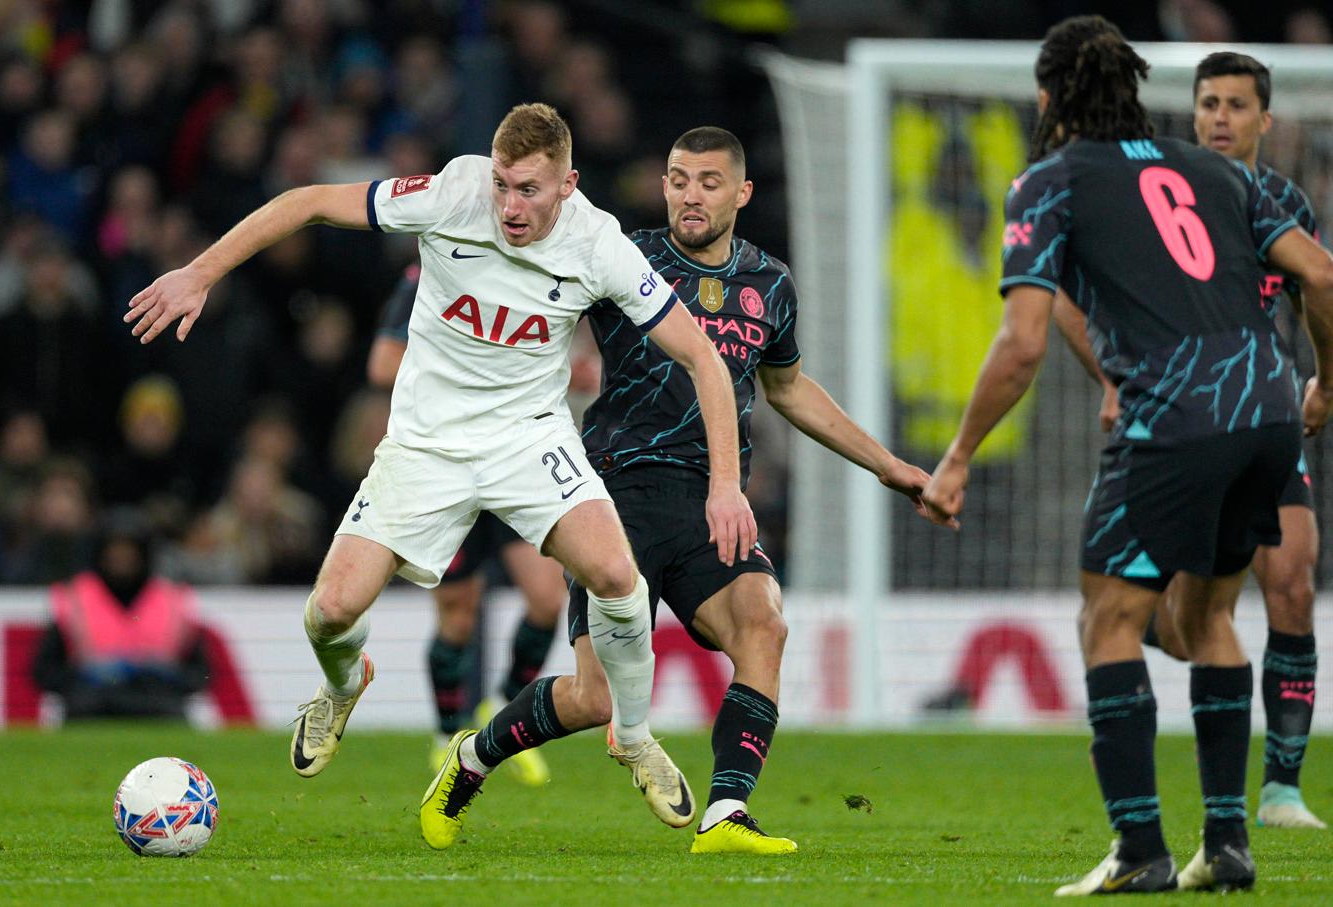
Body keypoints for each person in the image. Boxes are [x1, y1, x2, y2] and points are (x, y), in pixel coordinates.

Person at [125, 103, 755, 850]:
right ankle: (341, 686)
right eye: (503, 185)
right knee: (328, 611)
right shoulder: (453, 194)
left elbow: (705, 360)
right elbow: (306, 204)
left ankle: (635, 736)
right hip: (426, 444)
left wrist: (726, 482)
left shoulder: (600, 243)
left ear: (568, 184)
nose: (511, 206)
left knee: (618, 576)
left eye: (529, 190)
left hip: (528, 440)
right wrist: (200, 271)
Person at [919, 16, 1333, 896]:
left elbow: (1023, 340)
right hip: (1267, 414)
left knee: (1108, 620)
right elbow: (1324, 276)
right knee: (1208, 623)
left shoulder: (1048, 182)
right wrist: (1325, 384)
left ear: (1047, 97)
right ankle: (1226, 844)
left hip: (1174, 418)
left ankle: (1139, 846)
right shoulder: (1219, 170)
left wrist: (958, 454)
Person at [571, 126, 951, 854]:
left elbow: (788, 388)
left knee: (763, 622)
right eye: (679, 178)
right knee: (592, 698)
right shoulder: (627, 258)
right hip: (614, 492)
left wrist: (887, 464)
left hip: (713, 498)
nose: (690, 194)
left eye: (709, 181)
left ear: (742, 193)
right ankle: (475, 755)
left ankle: (727, 811)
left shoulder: (768, 283)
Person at [1057, 52, 1325, 832]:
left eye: (1237, 105)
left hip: (1260, 419)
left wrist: (1314, 380)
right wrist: (1111, 378)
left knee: (1293, 583)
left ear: (1264, 120)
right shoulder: (1157, 197)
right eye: (1209, 102)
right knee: (1187, 620)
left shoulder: (1280, 200)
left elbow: (1317, 285)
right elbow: (1068, 297)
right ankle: (1139, 651)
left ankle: (1279, 789)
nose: (1220, 117)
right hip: (1171, 422)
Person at [368, 263, 568, 787]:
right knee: (458, 618)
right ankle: (445, 734)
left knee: (548, 598)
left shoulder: (518, 274)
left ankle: (501, 714)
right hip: (449, 467)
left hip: (511, 461)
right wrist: (458, 365)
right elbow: (382, 364)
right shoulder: (423, 279)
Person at [33, 508, 209, 720]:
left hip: (157, 704)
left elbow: (201, 672)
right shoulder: (74, 599)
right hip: (92, 705)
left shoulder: (173, 601)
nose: (122, 557)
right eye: (115, 549)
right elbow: (45, 671)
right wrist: (83, 675)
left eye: (129, 550)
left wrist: (163, 675)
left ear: (143, 554)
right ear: (100, 552)